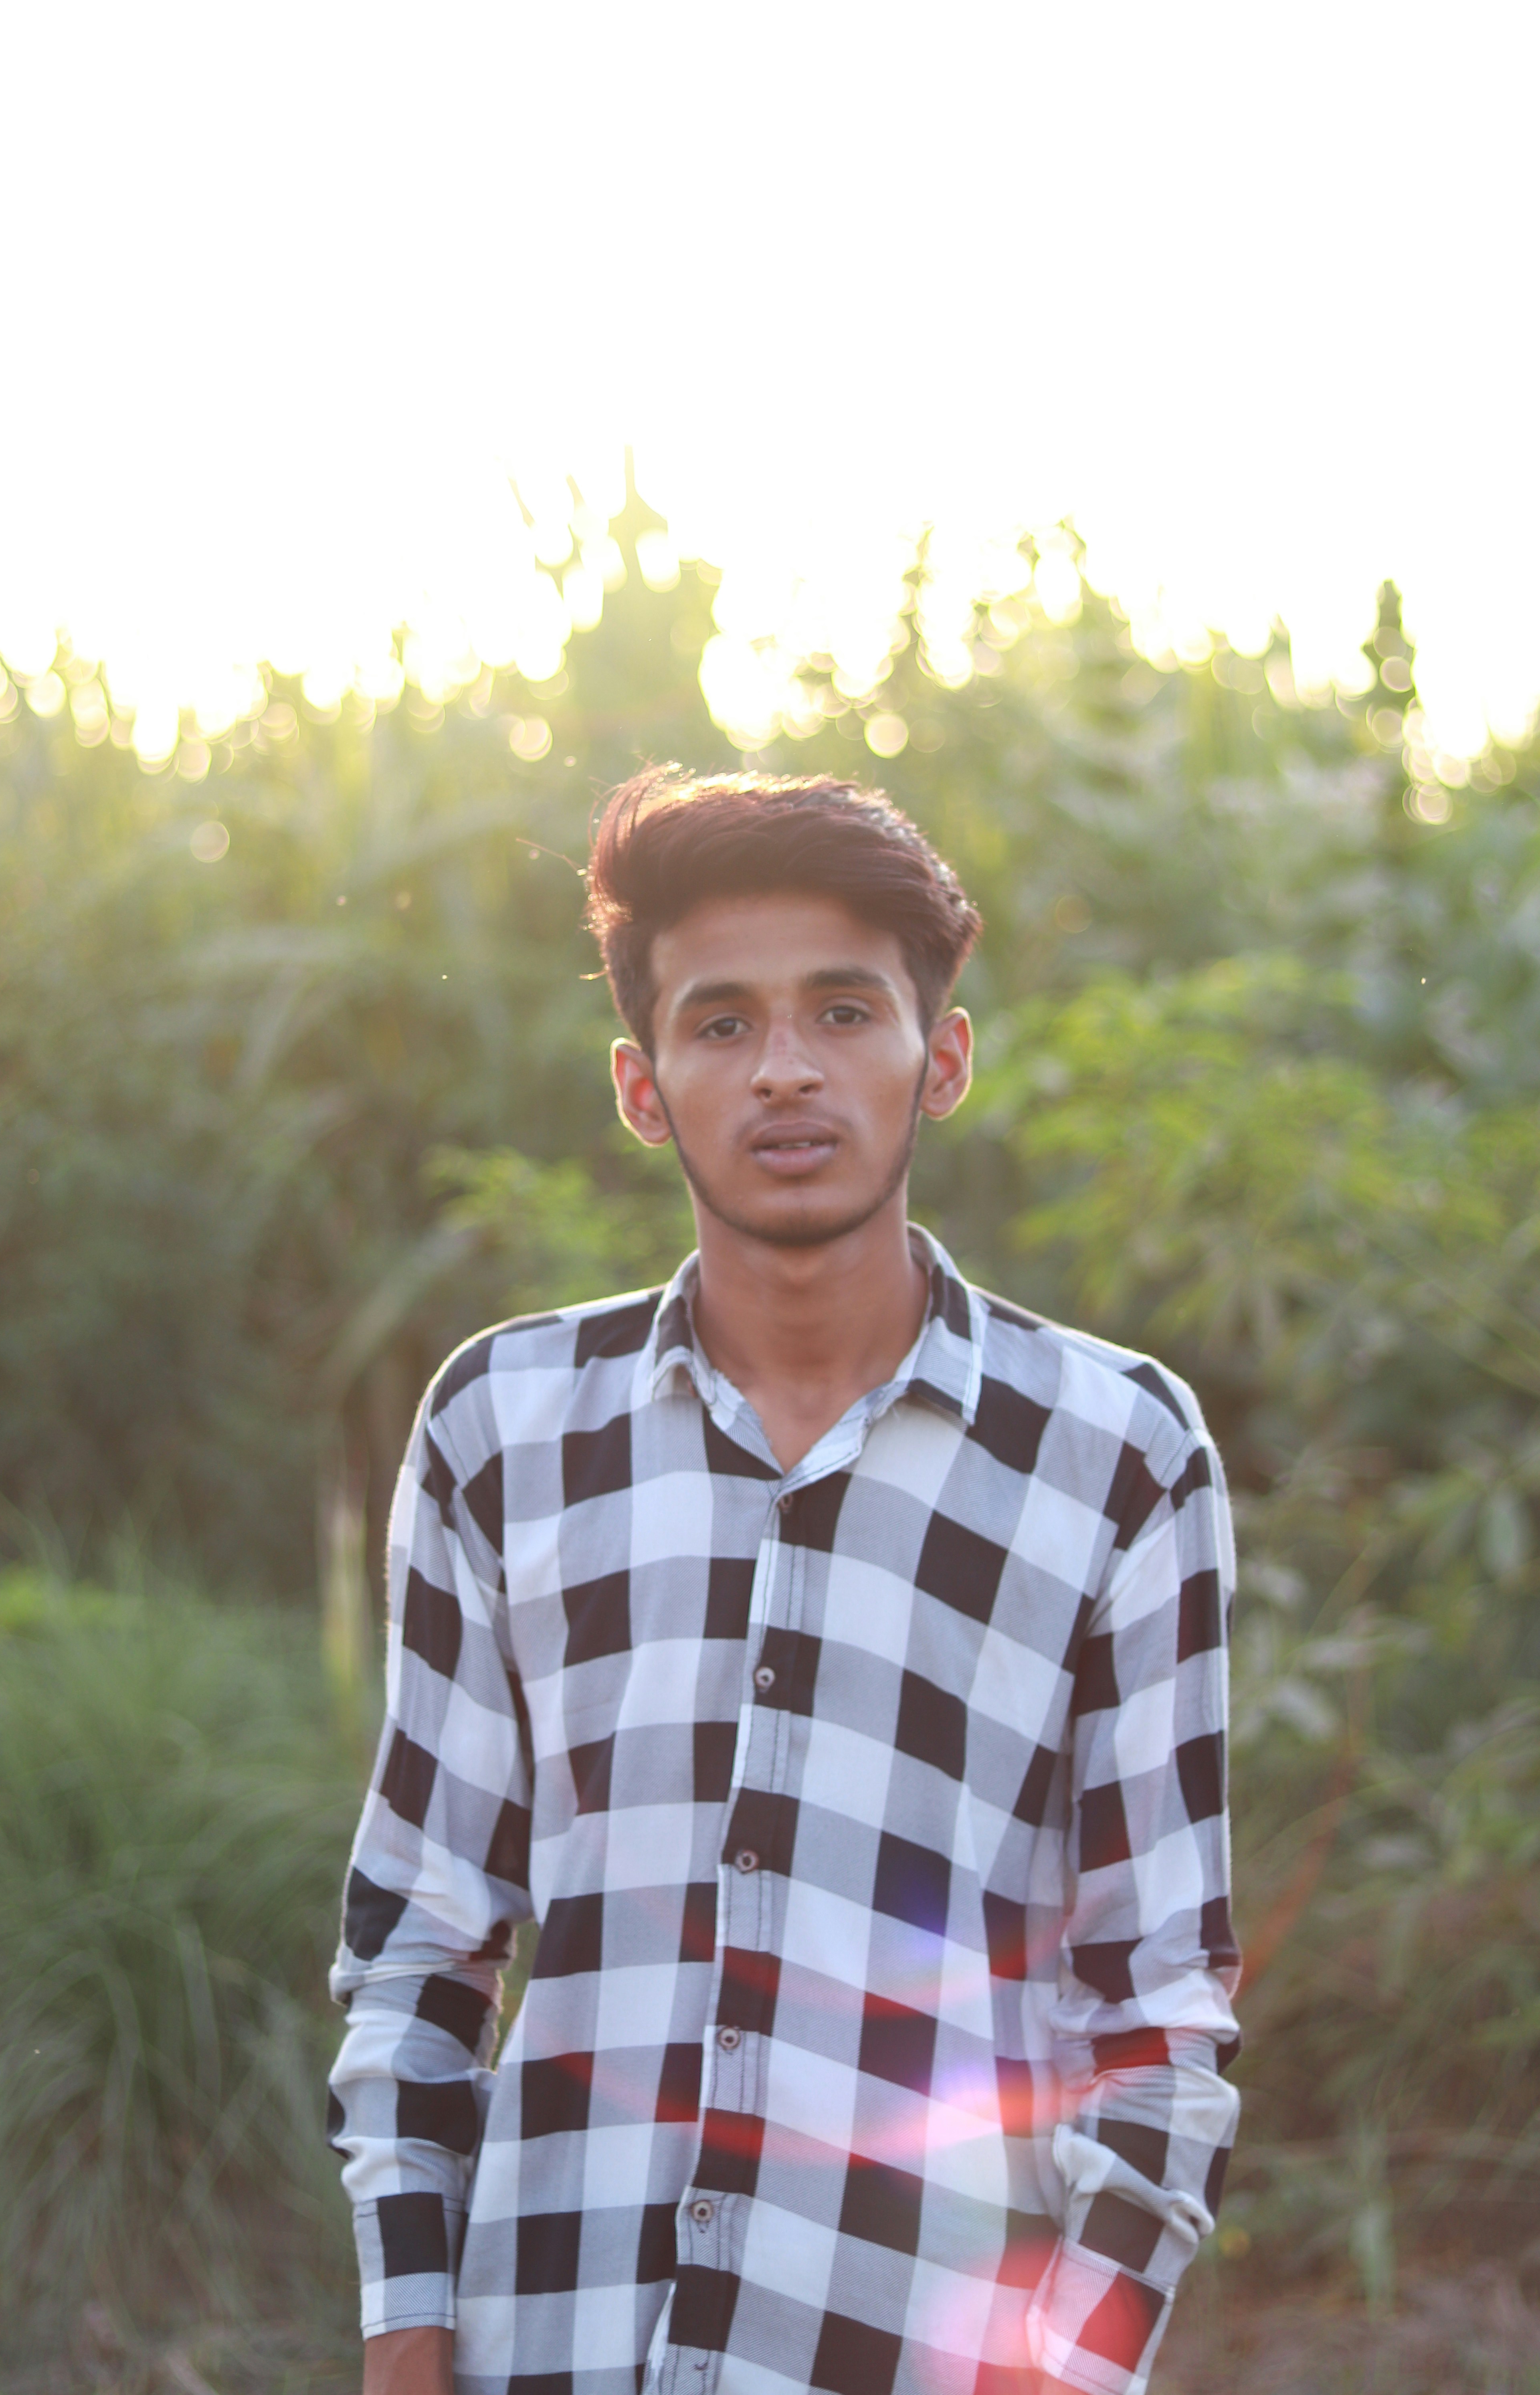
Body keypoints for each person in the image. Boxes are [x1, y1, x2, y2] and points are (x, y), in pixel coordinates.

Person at [327, 769, 1241, 2395]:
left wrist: (1068, 2371)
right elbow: (420, 1949)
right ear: (643, 1085)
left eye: (844, 1010)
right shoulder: (504, 1431)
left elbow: (1156, 2010)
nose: (787, 1070)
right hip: (552, 2347)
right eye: (723, 1023)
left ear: (940, 1058)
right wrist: (405, 2349)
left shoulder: (1116, 1456)